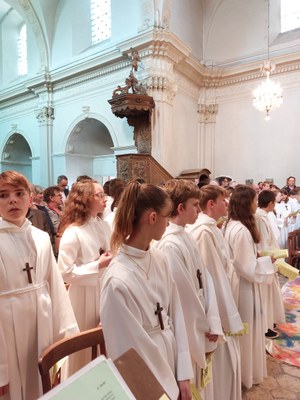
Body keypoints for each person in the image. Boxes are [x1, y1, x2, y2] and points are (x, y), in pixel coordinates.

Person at [100, 181, 193, 400]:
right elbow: (130, 350)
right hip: (147, 376)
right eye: (166, 217)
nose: (168, 224)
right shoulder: (117, 280)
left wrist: (183, 373)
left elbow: (176, 314)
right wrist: (168, 388)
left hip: (171, 357)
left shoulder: (158, 257)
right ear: (152, 218)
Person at [0, 171, 78, 400]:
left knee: (42, 388)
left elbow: (55, 289)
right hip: (5, 332)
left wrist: (65, 343)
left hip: (41, 326)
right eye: (3, 195)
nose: (12, 200)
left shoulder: (41, 238)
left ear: (30, 197)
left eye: (19, 193)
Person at [156, 179, 223, 398]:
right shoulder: (169, 244)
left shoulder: (185, 236)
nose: (198, 209)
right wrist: (205, 325)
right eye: (195, 204)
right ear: (181, 208)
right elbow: (183, 297)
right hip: (189, 325)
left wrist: (213, 318)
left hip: (201, 319)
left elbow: (206, 279)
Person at [187, 185, 244, 400]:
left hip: (221, 301)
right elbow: (211, 278)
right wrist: (217, 320)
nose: (227, 204)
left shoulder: (211, 228)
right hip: (215, 308)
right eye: (224, 200)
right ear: (211, 204)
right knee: (218, 362)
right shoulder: (203, 232)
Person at [57, 179, 112, 374]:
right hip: (83, 297)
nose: (104, 199)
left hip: (104, 290)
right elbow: (64, 272)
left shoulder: (103, 225)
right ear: (85, 200)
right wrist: (98, 265)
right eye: (99, 195)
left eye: (104, 195)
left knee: (105, 348)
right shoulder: (73, 231)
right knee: (84, 353)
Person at [224, 185, 276, 389]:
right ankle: (247, 374)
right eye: (254, 200)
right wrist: (267, 263)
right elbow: (246, 267)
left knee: (246, 329)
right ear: (247, 204)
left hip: (238, 281)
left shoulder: (232, 224)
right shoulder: (242, 230)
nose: (257, 203)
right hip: (244, 286)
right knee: (248, 330)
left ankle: (244, 372)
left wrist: (258, 258)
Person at [256, 190, 285, 339]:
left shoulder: (264, 216)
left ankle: (269, 321)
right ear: (271, 203)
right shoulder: (260, 218)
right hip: (265, 261)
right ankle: (265, 325)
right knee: (266, 296)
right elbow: (262, 243)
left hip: (269, 259)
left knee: (271, 294)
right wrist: (271, 257)